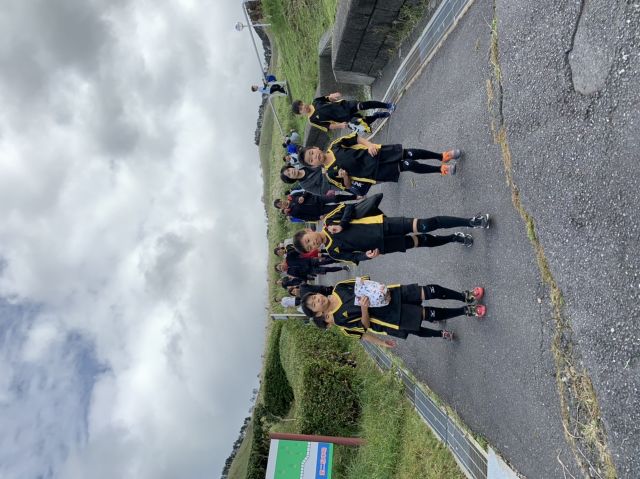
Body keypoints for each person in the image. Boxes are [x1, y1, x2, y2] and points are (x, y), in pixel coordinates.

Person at [293, 194, 490, 264]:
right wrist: (367, 256)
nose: (313, 243)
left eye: (308, 239)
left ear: (309, 231)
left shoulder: (329, 220)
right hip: (384, 245)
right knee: (423, 241)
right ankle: (454, 238)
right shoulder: (333, 252)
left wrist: (342, 224)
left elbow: (349, 207)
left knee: (425, 225)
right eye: (309, 247)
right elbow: (354, 257)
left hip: (382, 224)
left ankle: (471, 222)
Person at [301, 278, 488, 345]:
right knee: (429, 314)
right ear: (318, 314)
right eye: (314, 305)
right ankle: (466, 310)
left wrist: (381, 288)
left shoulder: (339, 287)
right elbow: (364, 327)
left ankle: (465, 295)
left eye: (315, 297)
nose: (318, 300)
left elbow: (365, 283)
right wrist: (364, 309)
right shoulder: (340, 321)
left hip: (392, 293)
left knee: (431, 290)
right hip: (389, 316)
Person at [299, 132, 459, 195]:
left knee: (409, 153)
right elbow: (347, 186)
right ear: (313, 166)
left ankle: (442, 156)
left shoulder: (335, 145)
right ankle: (441, 169)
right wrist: (345, 177)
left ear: (315, 148)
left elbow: (356, 138)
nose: (314, 157)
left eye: (312, 153)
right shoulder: (330, 175)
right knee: (408, 165)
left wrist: (370, 145)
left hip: (377, 153)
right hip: (374, 172)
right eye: (311, 160)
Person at [292, 92, 395, 132]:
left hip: (344, 106)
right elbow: (328, 126)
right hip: (343, 119)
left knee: (363, 105)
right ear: (301, 114)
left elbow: (327, 98)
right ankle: (377, 115)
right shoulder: (312, 120)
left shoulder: (315, 101)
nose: (303, 107)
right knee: (364, 122)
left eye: (301, 104)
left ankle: (387, 105)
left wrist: (332, 96)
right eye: (300, 109)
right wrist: (340, 125)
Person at [280, 164, 359, 199]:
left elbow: (320, 163)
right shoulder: (304, 185)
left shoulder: (304, 165)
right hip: (339, 183)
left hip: (338, 169)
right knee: (360, 188)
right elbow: (322, 191)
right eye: (289, 174)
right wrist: (324, 175)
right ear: (291, 179)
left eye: (289, 170)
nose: (291, 172)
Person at [274, 191, 354, 222]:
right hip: (319, 211)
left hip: (317, 199)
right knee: (337, 208)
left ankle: (354, 197)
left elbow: (306, 191)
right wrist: (318, 217)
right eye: (280, 205)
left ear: (282, 199)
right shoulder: (292, 213)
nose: (282, 204)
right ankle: (353, 206)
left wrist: (303, 197)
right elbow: (306, 217)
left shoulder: (292, 196)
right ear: (281, 208)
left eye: (280, 202)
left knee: (335, 198)